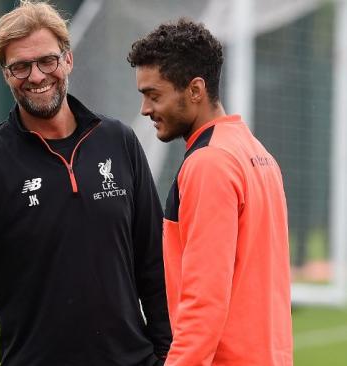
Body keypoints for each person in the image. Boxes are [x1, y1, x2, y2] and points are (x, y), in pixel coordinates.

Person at [0, 1, 171, 365]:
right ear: (6, 74)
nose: (36, 76)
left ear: (68, 60)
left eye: (47, 61)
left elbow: (154, 263)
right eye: (20, 66)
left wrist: (166, 355)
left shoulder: (118, 141)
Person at [128, 19, 293, 365]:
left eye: (153, 95)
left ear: (195, 90)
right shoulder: (255, 152)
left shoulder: (210, 164)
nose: (145, 109)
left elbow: (204, 301)